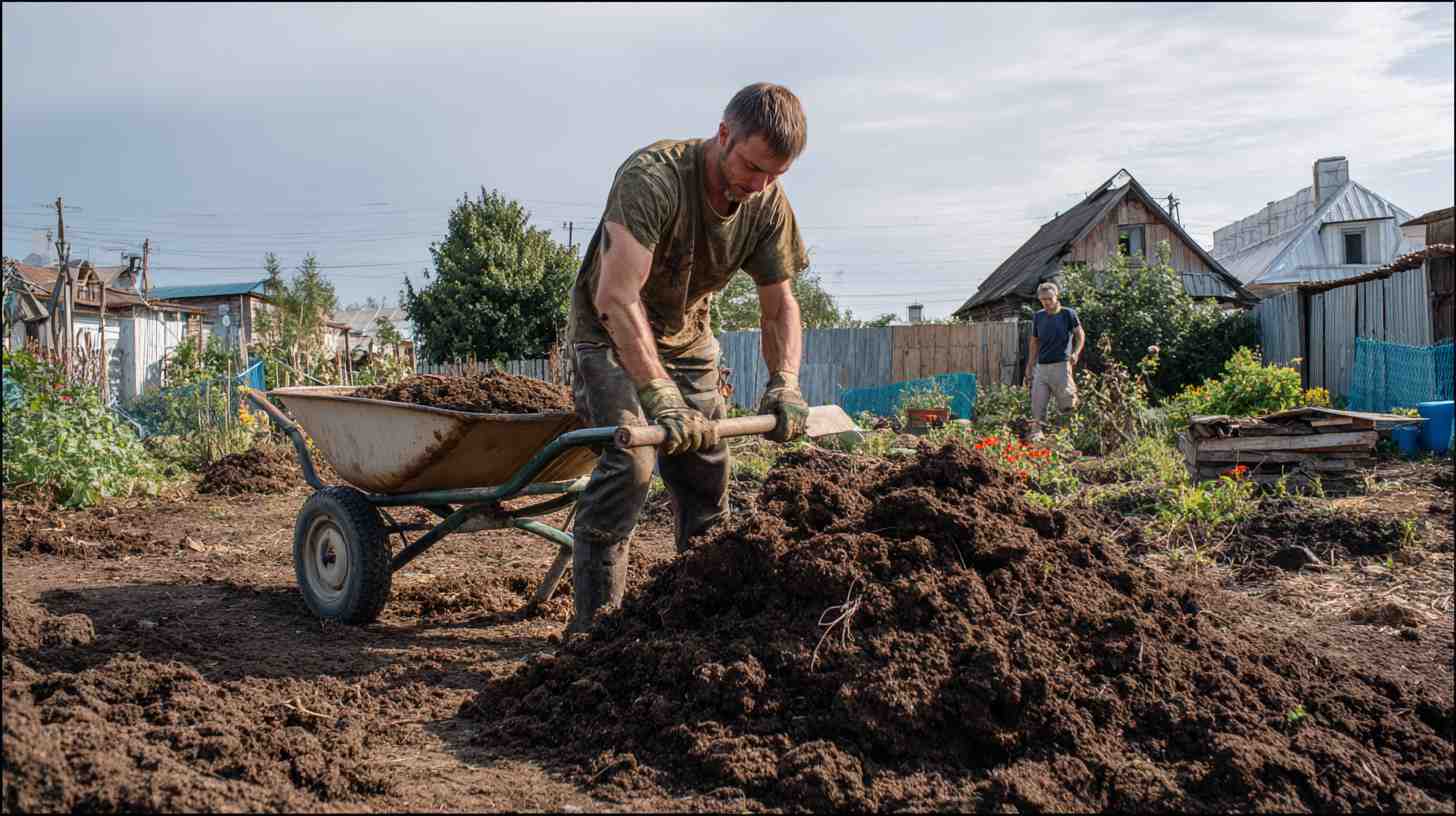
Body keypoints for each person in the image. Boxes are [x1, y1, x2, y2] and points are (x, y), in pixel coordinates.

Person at [564, 82, 812, 634]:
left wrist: (785, 383)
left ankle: (704, 625)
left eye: (776, 175)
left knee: (706, 472)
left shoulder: (766, 202)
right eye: (752, 167)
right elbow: (615, 297)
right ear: (723, 135)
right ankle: (593, 632)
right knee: (631, 463)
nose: (762, 184)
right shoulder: (653, 178)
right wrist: (659, 396)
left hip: (688, 339)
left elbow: (779, 307)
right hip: (607, 337)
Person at [1024, 281, 1085, 442]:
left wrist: (1076, 353)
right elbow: (1034, 341)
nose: (1046, 302)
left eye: (1049, 298)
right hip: (1042, 367)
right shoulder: (1039, 316)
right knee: (1038, 403)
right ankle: (1037, 434)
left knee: (1067, 403)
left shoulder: (1068, 314)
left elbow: (1080, 335)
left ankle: (1071, 435)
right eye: (1043, 299)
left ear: (1056, 296)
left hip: (1061, 365)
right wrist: (1030, 365)